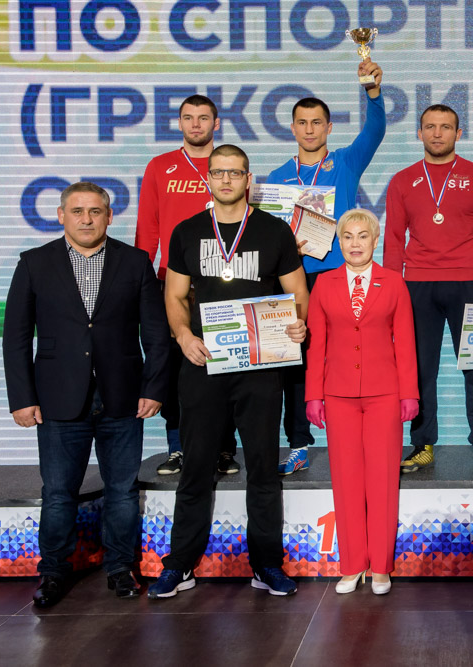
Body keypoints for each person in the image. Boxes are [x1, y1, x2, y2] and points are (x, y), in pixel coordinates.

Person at [148, 145, 310, 599]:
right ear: (208, 178)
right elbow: (174, 296)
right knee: (196, 467)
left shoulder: (274, 230)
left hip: (259, 366)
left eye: (234, 173)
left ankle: (267, 564)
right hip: (203, 363)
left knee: (262, 468)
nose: (225, 180)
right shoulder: (187, 231)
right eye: (218, 173)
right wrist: (183, 336)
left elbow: (298, 292)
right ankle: (180, 565)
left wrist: (298, 323)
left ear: (248, 179)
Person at [3, 182, 170, 606]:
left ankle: (121, 568)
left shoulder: (135, 262)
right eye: (77, 211)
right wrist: (21, 398)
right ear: (61, 215)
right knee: (58, 493)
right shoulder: (34, 263)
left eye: (95, 211)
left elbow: (155, 334)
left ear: (109, 216)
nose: (86, 219)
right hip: (57, 399)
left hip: (123, 397)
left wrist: (153, 387)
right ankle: (53, 573)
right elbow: (16, 337)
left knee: (122, 491)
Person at [267, 59, 387, 476]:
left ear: (329, 127)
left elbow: (375, 132)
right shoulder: (277, 177)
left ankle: (353, 435)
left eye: (317, 122)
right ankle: (299, 442)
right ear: (292, 128)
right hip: (294, 277)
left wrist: (373, 92)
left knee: (347, 354)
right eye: (302, 123)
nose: (310, 129)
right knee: (296, 360)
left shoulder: (345, 162)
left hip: (340, 276)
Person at [383, 104, 473, 474]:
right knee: (420, 369)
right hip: (416, 286)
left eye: (446, 127)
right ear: (419, 133)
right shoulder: (402, 180)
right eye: (430, 127)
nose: (438, 134)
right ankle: (422, 444)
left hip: (469, 285)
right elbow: (393, 241)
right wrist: (390, 292)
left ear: (458, 133)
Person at [305, 209, 418, 595]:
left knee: (383, 480)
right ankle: (352, 565)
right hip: (337, 395)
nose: (355, 244)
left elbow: (405, 341)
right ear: (339, 242)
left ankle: (381, 567)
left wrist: (409, 393)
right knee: (346, 480)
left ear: (375, 240)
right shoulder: (324, 283)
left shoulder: (394, 282)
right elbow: (316, 344)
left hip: (385, 394)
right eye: (348, 237)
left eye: (363, 236)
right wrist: (313, 395)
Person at [135, 94, 239, 476]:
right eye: (188, 118)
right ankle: (178, 448)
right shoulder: (160, 167)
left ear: (216, 123)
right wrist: (140, 280)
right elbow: (148, 228)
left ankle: (224, 448)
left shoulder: (229, 167)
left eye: (203, 118)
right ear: (179, 123)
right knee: (176, 371)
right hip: (171, 284)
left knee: (224, 367)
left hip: (223, 283)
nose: (196, 124)